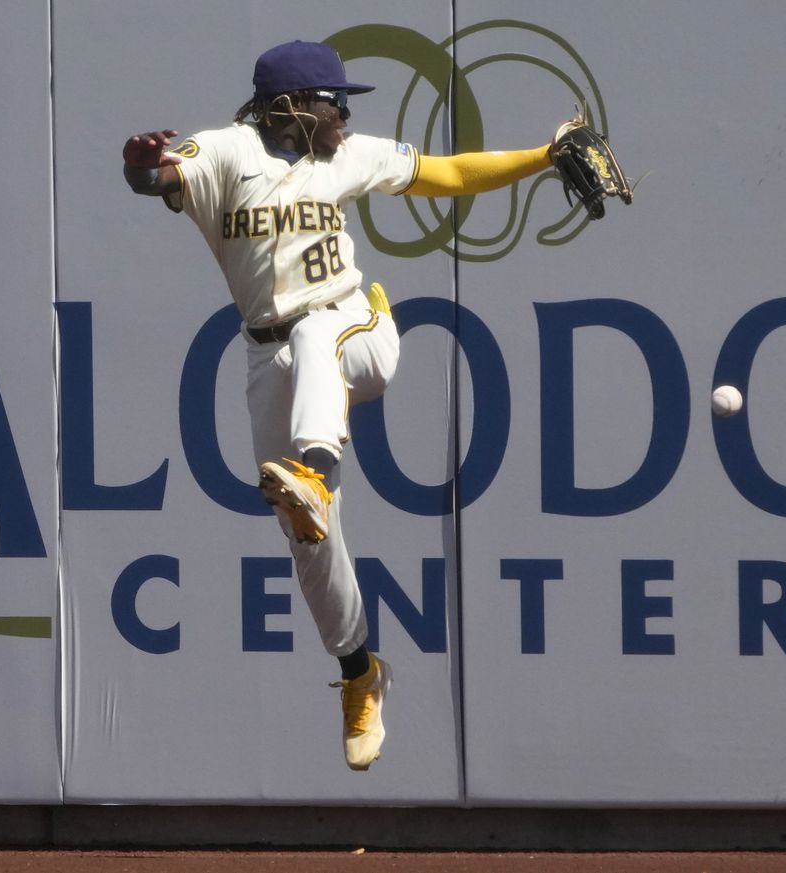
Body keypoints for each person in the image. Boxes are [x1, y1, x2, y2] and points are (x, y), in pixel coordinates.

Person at [122, 39, 554, 771]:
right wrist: (141, 163)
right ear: (292, 106)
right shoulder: (229, 152)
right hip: (270, 356)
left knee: (320, 330)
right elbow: (159, 176)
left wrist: (542, 157)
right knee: (308, 539)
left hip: (359, 331)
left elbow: (446, 173)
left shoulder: (343, 157)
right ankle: (360, 673)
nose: (345, 114)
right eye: (335, 100)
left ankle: (316, 469)